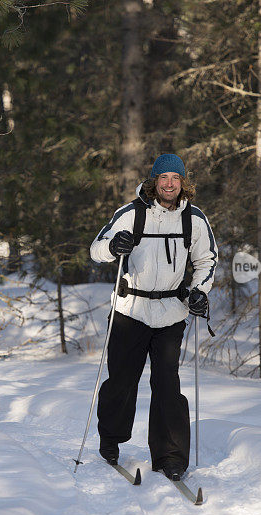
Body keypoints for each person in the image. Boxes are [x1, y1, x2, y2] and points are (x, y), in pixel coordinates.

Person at [89, 153, 217, 481]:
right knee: (121, 379)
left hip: (171, 312)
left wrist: (200, 291)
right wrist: (114, 246)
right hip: (129, 310)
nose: (170, 183)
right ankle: (111, 440)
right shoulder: (131, 213)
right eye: (164, 178)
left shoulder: (194, 220)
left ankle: (170, 456)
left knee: (167, 386)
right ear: (154, 181)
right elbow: (96, 249)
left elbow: (207, 261)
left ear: (183, 183)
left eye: (175, 178)